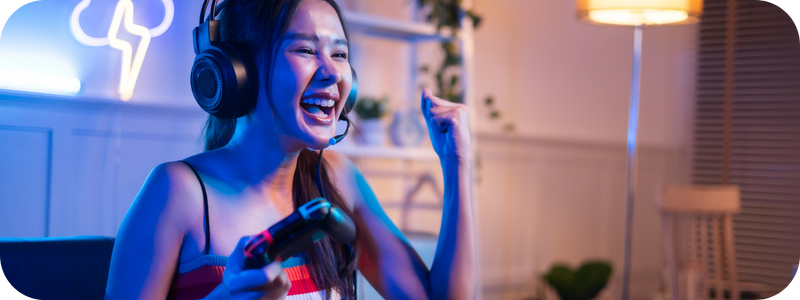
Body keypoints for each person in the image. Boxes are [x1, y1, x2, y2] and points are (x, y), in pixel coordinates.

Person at [104, 0, 475, 299]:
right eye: (306, 49)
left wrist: (456, 162)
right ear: (239, 72)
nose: (332, 73)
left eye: (341, 54)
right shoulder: (177, 191)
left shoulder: (337, 177)